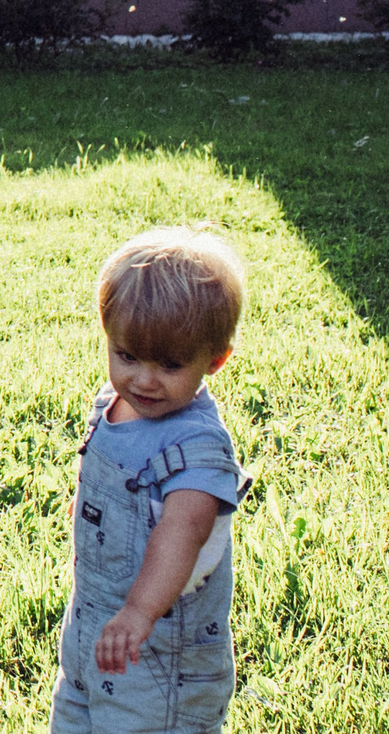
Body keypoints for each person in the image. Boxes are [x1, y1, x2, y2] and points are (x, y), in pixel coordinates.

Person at [51, 226, 249, 734]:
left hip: (161, 658)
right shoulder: (113, 405)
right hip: (93, 632)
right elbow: (104, 472)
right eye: (127, 356)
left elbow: (183, 531)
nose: (143, 379)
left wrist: (139, 613)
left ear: (216, 359)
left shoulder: (197, 449)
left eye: (170, 364)